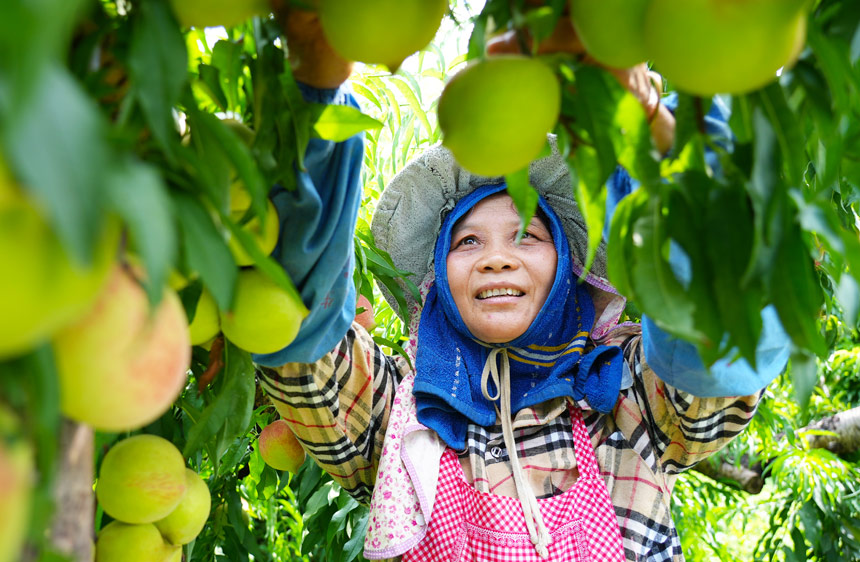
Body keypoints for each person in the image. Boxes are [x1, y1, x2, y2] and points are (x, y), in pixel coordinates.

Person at [258, 6, 791, 561]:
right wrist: (315, 90)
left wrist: (652, 132)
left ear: (570, 270)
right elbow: (299, 339)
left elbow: (719, 338)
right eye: (466, 243)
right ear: (437, 279)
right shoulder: (403, 417)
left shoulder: (623, 396)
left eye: (527, 236)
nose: (495, 259)